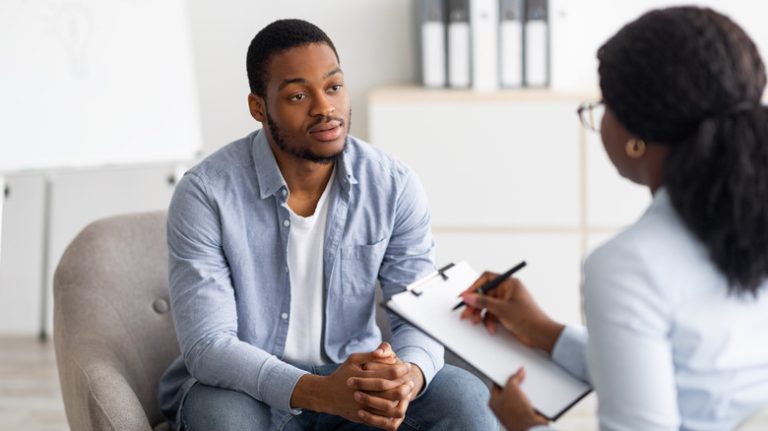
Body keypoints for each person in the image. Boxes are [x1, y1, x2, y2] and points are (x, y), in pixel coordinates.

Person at [156, 18, 496, 431]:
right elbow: (209, 346)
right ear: (258, 107)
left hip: (355, 381)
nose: (324, 108)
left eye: (333, 87)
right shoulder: (205, 194)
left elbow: (421, 316)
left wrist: (408, 375)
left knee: (463, 399)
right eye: (299, 95)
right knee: (220, 418)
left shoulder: (392, 185)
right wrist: (318, 391)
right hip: (247, 388)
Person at [460, 6, 768, 431]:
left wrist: (524, 426)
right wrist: (544, 331)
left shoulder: (629, 266)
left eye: (604, 104)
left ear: (636, 139)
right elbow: (691, 378)